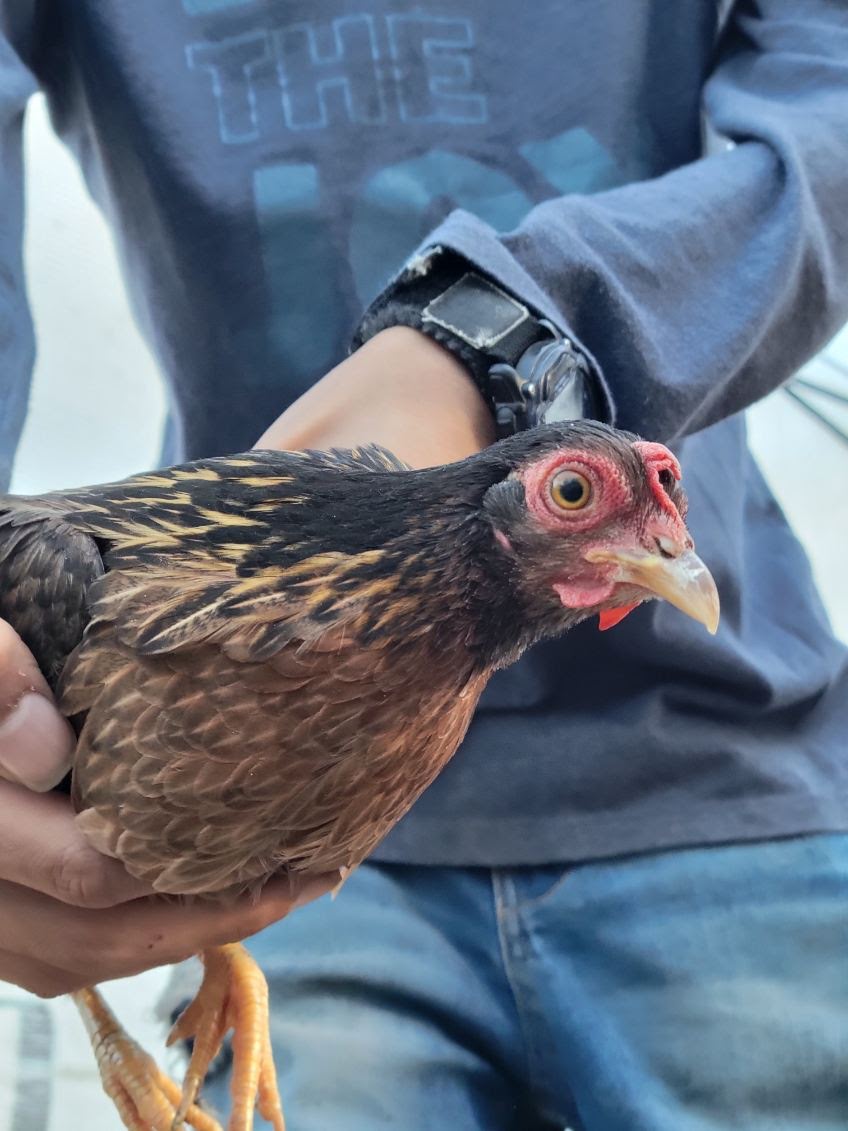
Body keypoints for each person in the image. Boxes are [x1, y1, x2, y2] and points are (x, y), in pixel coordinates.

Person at [1, 1, 847, 1128]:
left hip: (717, 780)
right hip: (258, 774)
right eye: (578, 499)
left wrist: (507, 337)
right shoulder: (110, 597)